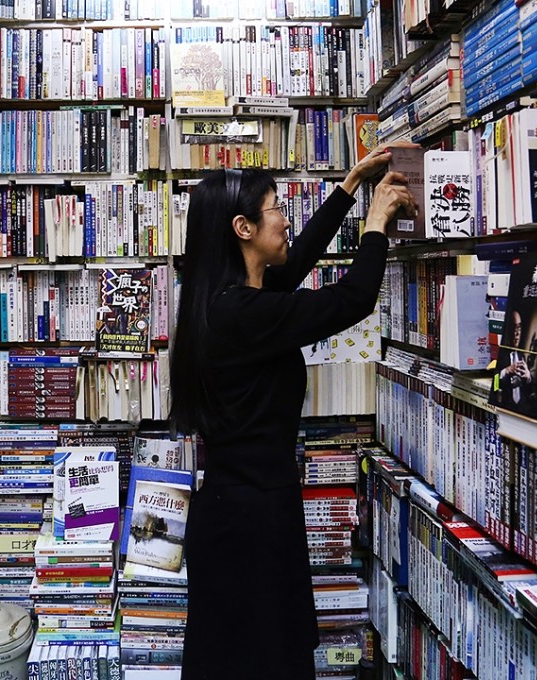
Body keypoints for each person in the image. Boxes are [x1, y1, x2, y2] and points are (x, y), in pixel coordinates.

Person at [168, 142, 418, 680]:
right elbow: (351, 300)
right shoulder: (240, 313)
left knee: (254, 658)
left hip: (244, 510)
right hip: (248, 525)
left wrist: (351, 185)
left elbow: (297, 256)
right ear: (243, 228)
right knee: (263, 662)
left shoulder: (233, 296)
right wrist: (376, 220)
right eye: (277, 209)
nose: (285, 220)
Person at [499, 309, 533, 406]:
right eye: (514, 328)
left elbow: (530, 390)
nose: (517, 333)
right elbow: (495, 385)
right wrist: (506, 371)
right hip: (506, 405)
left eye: (519, 327)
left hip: (522, 407)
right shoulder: (501, 354)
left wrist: (528, 376)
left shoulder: (521, 355)